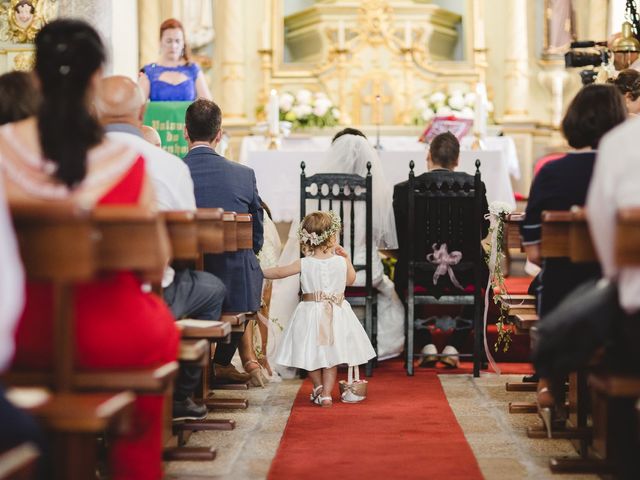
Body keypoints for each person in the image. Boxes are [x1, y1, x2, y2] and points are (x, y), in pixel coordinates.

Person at [1, 20, 179, 480]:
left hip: (22, 334)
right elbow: (154, 264)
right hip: (112, 336)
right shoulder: (127, 162)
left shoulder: (3, 149)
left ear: (36, 76)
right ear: (96, 79)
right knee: (158, 333)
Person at [95, 75, 227, 420]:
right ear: (142, 112)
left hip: (83, 294)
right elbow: (187, 242)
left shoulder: (68, 160)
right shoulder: (167, 165)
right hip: (148, 294)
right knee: (211, 287)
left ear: (95, 111)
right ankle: (183, 397)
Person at [521, 84, 626, 420]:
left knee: (547, 282)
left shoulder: (551, 171)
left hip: (562, 293)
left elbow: (534, 253)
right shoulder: (626, 170)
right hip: (622, 294)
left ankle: (550, 385)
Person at [271, 128, 405, 364]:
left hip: (318, 272)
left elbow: (302, 235)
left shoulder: (317, 192)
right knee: (390, 294)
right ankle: (362, 348)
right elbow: (378, 237)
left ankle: (312, 352)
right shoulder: (374, 191)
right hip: (361, 273)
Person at [183, 98, 266, 386]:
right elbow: (256, 237)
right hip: (234, 286)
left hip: (186, 281)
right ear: (219, 135)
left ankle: (196, 371)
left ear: (185, 132)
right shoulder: (243, 175)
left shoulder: (174, 170)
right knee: (250, 267)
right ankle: (220, 362)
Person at [393, 131, 489, 368]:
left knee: (400, 278)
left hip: (418, 272)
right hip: (465, 271)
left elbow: (399, 235)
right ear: (457, 160)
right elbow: (483, 230)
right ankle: (454, 347)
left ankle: (426, 344)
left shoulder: (404, 189)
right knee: (483, 279)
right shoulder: (476, 185)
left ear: (429, 155)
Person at [263, 211, 376, 406]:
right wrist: (347, 259)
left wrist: (257, 271)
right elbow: (351, 280)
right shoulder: (340, 262)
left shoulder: (304, 263)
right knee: (330, 357)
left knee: (311, 355)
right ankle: (326, 395)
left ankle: (317, 386)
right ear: (332, 237)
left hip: (309, 314)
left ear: (307, 238)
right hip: (336, 313)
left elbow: (280, 272)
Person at [138, 18, 212, 101]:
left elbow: (207, 105)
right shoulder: (148, 71)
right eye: (169, 41)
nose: (173, 46)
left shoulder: (193, 69)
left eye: (177, 41)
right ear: (160, 42)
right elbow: (139, 108)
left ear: (183, 43)